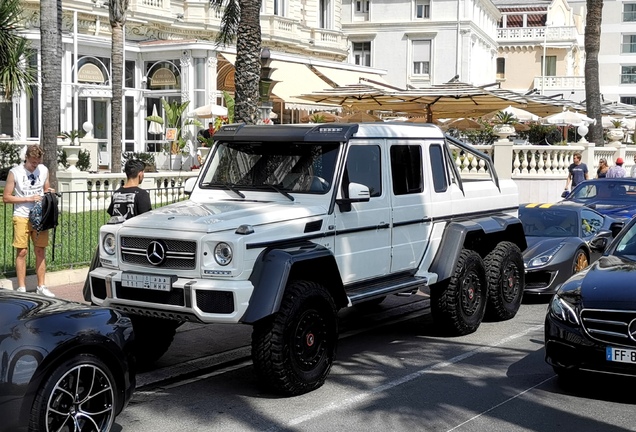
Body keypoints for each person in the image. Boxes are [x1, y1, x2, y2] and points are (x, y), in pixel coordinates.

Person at [83, 159, 152, 301]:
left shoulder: (116, 193)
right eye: (143, 172)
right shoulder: (142, 195)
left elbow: (112, 214)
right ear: (140, 174)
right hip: (134, 245)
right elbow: (147, 219)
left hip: (115, 243)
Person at [2, 145, 55, 296]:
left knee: (40, 250)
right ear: (26, 158)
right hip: (22, 215)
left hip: (40, 216)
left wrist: (49, 192)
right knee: (22, 251)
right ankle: (22, 287)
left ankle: (41, 286)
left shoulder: (43, 170)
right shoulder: (15, 172)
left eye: (37, 162)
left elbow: (45, 188)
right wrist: (28, 198)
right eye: (32, 162)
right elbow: (6, 197)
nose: (35, 165)